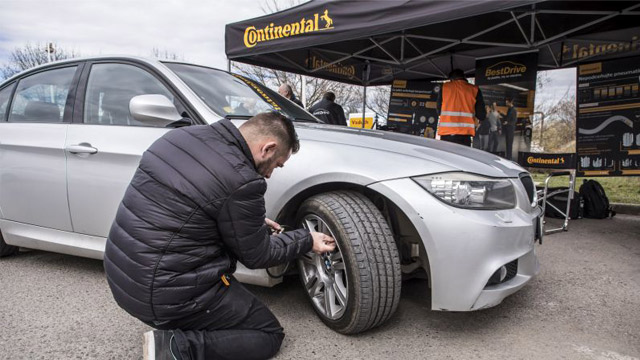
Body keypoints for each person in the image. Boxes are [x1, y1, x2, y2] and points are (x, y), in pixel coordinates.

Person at [103, 112, 336, 360]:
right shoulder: (242, 181)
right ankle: (175, 348)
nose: (269, 174)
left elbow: (188, 210)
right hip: (165, 293)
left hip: (123, 276)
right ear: (268, 148)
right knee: (268, 333)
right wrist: (307, 240)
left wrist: (247, 222)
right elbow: (259, 255)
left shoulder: (178, 137)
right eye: (277, 164)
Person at [436, 69, 486, 146]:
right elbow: (482, 115)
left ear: (451, 79)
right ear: (464, 77)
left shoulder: (444, 88)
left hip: (446, 135)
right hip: (465, 136)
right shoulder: (475, 90)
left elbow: (438, 111)